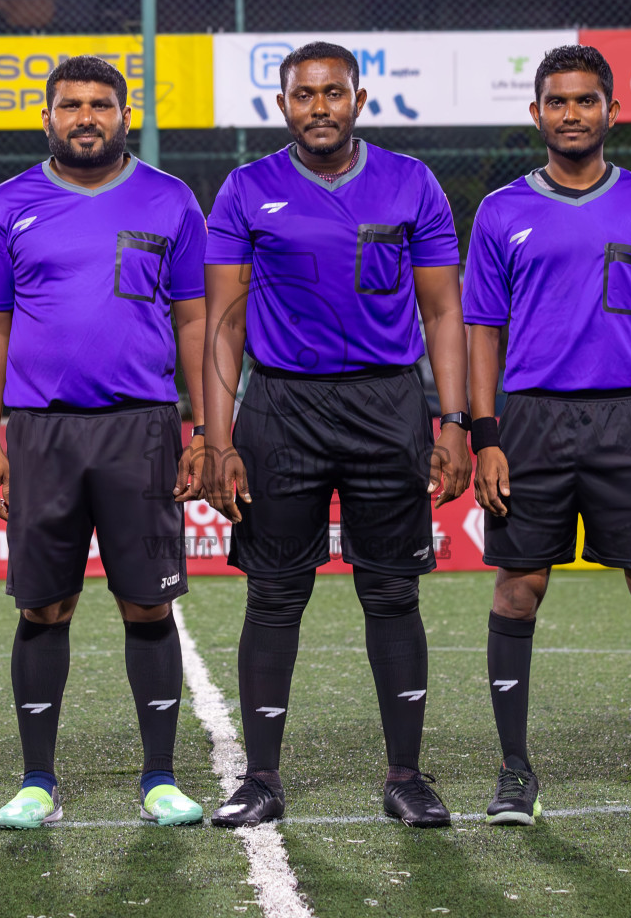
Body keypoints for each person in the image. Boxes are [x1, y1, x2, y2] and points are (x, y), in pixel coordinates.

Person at [202, 42, 471, 828]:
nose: (318, 107)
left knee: (391, 591)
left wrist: (451, 421)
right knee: (275, 594)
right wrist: (217, 440)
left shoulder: (410, 182)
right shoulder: (248, 189)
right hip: (280, 407)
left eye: (332, 92)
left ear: (359, 98)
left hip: (387, 406)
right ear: (282, 104)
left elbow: (444, 311)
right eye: (302, 95)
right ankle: (260, 778)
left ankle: (406, 776)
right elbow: (222, 325)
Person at [462, 45, 631, 827]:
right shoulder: (501, 210)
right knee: (518, 588)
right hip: (530, 420)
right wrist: (485, 435)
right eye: (558, 102)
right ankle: (514, 773)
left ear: (612, 111)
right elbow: (481, 334)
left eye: (587, 101)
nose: (573, 114)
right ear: (536, 114)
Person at [0, 55, 208, 830]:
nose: (86, 117)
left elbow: (196, 321)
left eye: (101, 104)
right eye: (70, 104)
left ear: (124, 115)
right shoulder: (9, 204)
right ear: (46, 117)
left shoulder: (170, 200)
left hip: (141, 426)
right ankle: (38, 780)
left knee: (147, 602)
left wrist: (202, 428)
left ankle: (160, 779)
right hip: (40, 430)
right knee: (45, 605)